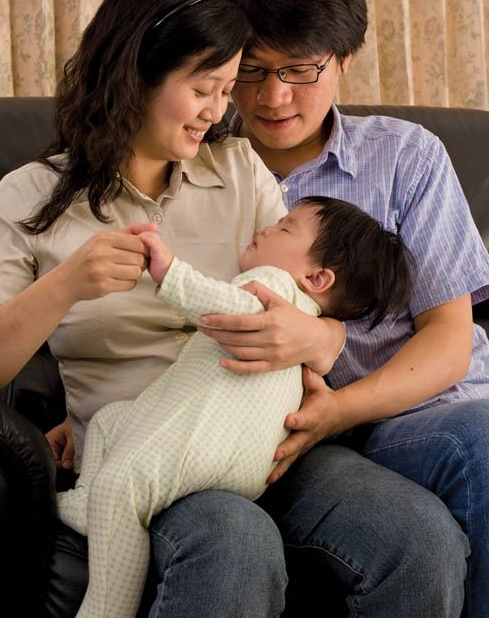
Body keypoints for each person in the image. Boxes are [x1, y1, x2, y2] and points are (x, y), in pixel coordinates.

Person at [0, 0, 297, 617]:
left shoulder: (239, 171)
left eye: (226, 90)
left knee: (414, 534)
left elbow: (301, 306)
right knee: (232, 536)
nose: (220, 111)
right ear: (137, 72)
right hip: (146, 459)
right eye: (204, 88)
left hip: (263, 443)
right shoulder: (32, 197)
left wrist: (318, 357)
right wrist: (65, 286)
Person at [207, 0, 489, 616]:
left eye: (300, 69)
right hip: (289, 433)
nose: (273, 96)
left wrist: (338, 408)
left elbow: (450, 341)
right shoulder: (204, 166)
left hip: (427, 405)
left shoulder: (406, 157)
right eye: (252, 69)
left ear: (344, 59)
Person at [57, 196, 414, 618]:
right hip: (251, 460)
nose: (267, 228)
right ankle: (87, 499)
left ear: (316, 277)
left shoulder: (274, 284)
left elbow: (229, 309)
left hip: (212, 439)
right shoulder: (304, 314)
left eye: (284, 228)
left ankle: (104, 608)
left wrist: (171, 274)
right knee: (108, 419)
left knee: (119, 488)